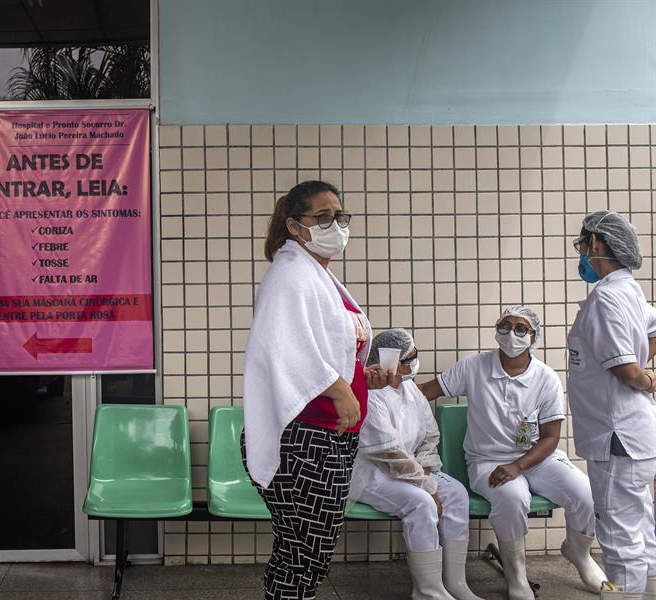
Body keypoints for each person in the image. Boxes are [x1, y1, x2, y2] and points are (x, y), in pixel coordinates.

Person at [241, 180, 393, 600]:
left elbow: (326, 348)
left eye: (340, 216)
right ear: (294, 225)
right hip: (305, 440)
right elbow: (278, 345)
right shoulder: (289, 274)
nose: (336, 225)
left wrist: (363, 376)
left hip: (328, 438)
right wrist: (340, 389)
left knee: (308, 550)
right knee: (304, 553)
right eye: (323, 217)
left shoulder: (318, 276)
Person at [420, 306, 606, 600]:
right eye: (505, 326)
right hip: (486, 461)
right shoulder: (473, 367)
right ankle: (516, 572)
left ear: (533, 338)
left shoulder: (546, 378)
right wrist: (384, 391)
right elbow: (425, 392)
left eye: (521, 329)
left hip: (536, 458)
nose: (512, 334)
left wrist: (518, 466)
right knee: (512, 497)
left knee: (584, 492)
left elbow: (550, 437)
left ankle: (579, 552)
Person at [350, 329, 482, 600]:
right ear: (391, 360)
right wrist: (427, 486)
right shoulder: (371, 394)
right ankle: (429, 591)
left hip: (412, 470)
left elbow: (429, 435)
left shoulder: (410, 388)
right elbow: (388, 452)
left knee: (456, 494)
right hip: (372, 475)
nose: (415, 362)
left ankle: (456, 583)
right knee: (421, 503)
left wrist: (426, 468)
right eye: (411, 357)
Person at [566, 211, 656, 600]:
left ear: (597, 244)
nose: (582, 253)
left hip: (615, 437)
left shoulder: (605, 298)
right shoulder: (629, 290)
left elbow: (626, 370)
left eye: (584, 244)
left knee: (620, 539)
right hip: (632, 434)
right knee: (642, 530)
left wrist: (648, 378)